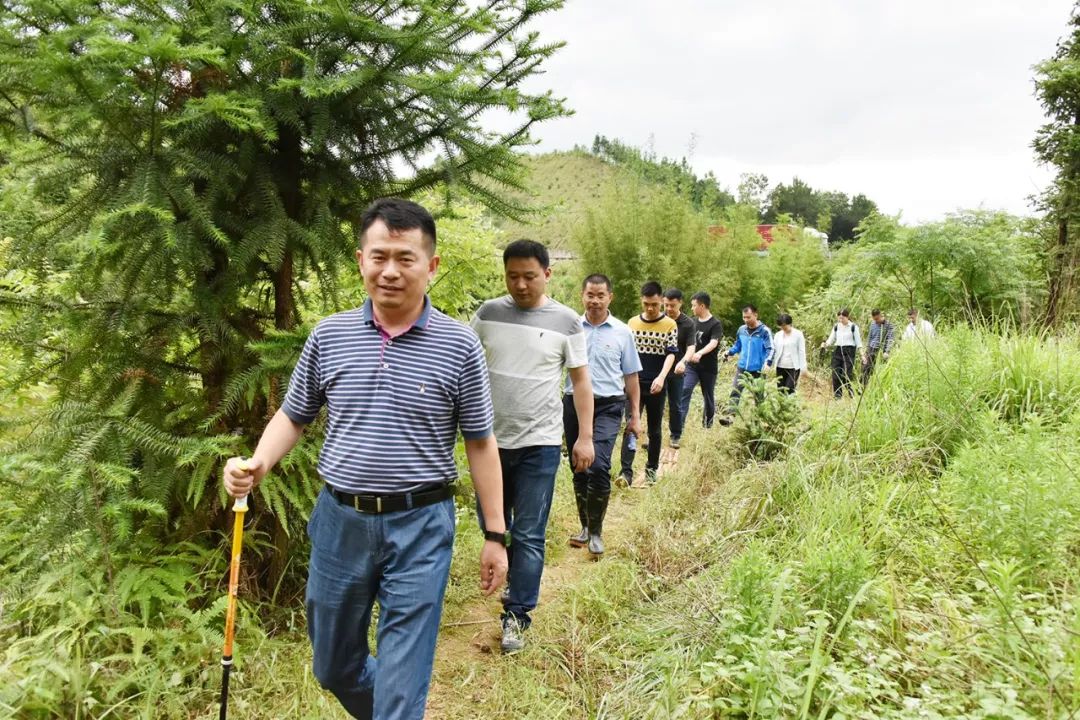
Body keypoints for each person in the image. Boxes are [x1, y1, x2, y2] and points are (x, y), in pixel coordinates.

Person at [221, 198, 508, 720]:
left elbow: (480, 443)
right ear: (360, 261)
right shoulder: (329, 336)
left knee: (401, 692)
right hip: (340, 522)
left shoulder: (459, 346)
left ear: (431, 266)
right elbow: (294, 415)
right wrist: (258, 465)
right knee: (333, 667)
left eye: (406, 258)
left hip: (421, 526)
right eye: (379, 257)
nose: (391, 271)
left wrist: (495, 535)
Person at [471, 239, 594, 654]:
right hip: (487, 444)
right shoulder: (487, 315)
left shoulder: (566, 322)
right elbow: (466, 369)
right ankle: (502, 577)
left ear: (547, 273)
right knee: (494, 527)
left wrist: (585, 436)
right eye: (512, 276)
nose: (520, 284)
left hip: (539, 444)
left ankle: (517, 616)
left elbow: (580, 383)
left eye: (529, 275)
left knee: (529, 534)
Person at [564, 274, 642, 556]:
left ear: (610, 297)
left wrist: (635, 415)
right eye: (590, 295)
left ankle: (597, 531)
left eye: (600, 295)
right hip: (573, 403)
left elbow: (631, 375)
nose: (595, 301)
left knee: (598, 465)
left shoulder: (623, 332)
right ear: (582, 296)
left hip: (609, 405)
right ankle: (584, 527)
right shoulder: (570, 328)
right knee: (579, 466)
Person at [618, 281, 678, 487]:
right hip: (634, 383)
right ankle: (625, 472)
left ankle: (651, 471)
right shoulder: (632, 323)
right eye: (646, 304)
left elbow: (671, 354)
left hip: (656, 385)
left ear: (661, 301)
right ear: (641, 302)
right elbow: (625, 355)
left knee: (654, 429)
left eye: (654, 304)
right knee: (631, 425)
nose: (650, 308)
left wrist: (661, 377)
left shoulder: (670, 325)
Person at [677, 291, 723, 435]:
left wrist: (700, 353)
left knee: (708, 396)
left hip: (708, 368)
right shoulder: (692, 322)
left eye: (694, 305)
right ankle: (679, 427)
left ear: (702, 306)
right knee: (685, 390)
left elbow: (714, 342)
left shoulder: (715, 324)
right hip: (691, 366)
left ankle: (707, 427)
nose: (692, 308)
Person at [719, 304, 773, 425]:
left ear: (755, 315)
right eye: (744, 317)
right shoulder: (741, 330)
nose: (746, 320)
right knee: (735, 391)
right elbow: (738, 345)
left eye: (748, 317)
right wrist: (729, 352)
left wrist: (768, 363)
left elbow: (771, 348)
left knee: (758, 396)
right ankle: (730, 417)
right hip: (742, 367)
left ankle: (758, 421)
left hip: (758, 369)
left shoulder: (764, 331)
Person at [663, 288, 696, 449]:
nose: (669, 309)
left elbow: (691, 347)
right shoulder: (659, 319)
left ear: (680, 304)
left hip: (677, 370)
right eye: (666, 305)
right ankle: (651, 436)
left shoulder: (688, 323)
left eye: (672, 305)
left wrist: (683, 362)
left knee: (675, 404)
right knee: (655, 403)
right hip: (659, 369)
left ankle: (675, 435)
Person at [821, 308, 862, 398]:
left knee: (846, 374)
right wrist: (826, 344)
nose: (840, 320)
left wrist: (862, 355)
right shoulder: (836, 326)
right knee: (835, 374)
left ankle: (852, 392)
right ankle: (837, 396)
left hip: (849, 351)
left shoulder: (853, 327)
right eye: (839, 318)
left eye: (842, 318)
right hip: (838, 351)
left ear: (847, 317)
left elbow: (859, 343)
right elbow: (831, 339)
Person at [770, 313, 806, 393]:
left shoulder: (798, 334)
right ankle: (782, 405)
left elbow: (801, 351)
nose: (783, 328)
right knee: (780, 390)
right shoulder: (777, 335)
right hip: (780, 366)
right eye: (781, 326)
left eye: (784, 325)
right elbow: (774, 350)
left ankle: (790, 404)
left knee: (789, 389)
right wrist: (770, 364)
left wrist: (803, 367)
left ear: (790, 324)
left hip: (793, 367)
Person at [862, 308, 896, 385]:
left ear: (880, 315)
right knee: (866, 369)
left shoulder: (889, 325)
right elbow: (870, 338)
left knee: (879, 370)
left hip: (881, 351)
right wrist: (866, 351)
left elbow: (891, 339)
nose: (876, 321)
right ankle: (863, 387)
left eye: (877, 319)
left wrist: (887, 351)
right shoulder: (873, 324)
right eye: (874, 319)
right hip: (871, 349)